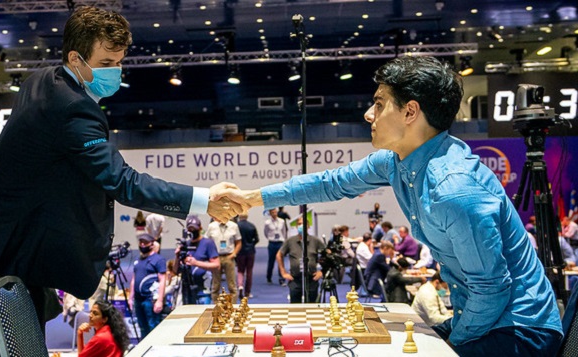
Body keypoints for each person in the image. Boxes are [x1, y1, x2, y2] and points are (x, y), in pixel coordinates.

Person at [215, 55, 562, 355]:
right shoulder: (396, 161)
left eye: (379, 104)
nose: (369, 114)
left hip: (520, 330)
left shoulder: (454, 189)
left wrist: (449, 345)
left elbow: (492, 289)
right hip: (482, 318)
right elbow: (329, 183)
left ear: (411, 111)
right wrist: (251, 197)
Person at [0, 6, 241, 356]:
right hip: (5, 254)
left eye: (119, 61)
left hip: (4, 242)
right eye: (106, 62)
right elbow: (122, 182)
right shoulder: (71, 109)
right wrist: (204, 198)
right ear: (76, 58)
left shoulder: (42, 80)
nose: (115, 71)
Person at [276, 217, 325, 303]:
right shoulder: (291, 241)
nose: (301, 226)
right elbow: (279, 255)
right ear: (296, 226)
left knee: (313, 306)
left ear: (308, 226)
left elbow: (327, 255)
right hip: (295, 279)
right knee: (295, 307)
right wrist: (283, 272)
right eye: (299, 224)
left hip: (312, 279)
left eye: (303, 224)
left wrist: (322, 272)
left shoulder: (315, 241)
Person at [173, 215, 220, 305]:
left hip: (203, 291)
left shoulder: (207, 243)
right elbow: (175, 271)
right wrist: (177, 256)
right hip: (187, 291)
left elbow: (216, 265)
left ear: (200, 228)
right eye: (190, 229)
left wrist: (196, 263)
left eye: (194, 229)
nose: (192, 231)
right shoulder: (186, 244)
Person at [130, 233, 166, 338]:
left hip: (150, 299)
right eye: (141, 242)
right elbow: (133, 279)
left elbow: (162, 280)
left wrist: (159, 300)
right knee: (142, 327)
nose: (142, 244)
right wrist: (130, 298)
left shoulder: (158, 259)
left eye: (145, 242)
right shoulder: (137, 260)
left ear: (151, 244)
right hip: (138, 300)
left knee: (153, 327)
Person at [205, 217, 242, 303]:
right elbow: (206, 241)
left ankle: (232, 306)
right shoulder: (211, 226)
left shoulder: (234, 226)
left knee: (232, 285)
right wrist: (210, 255)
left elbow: (239, 242)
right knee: (215, 285)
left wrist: (234, 254)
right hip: (216, 257)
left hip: (229, 256)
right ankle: (217, 307)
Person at [236, 213, 259, 299]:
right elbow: (257, 239)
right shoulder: (251, 226)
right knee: (249, 271)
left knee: (240, 270)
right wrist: (251, 245)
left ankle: (240, 286)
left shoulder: (236, 226)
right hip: (250, 251)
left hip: (240, 251)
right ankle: (247, 292)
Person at [264, 208, 287, 285]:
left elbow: (284, 231)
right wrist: (270, 238)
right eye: (273, 212)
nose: (275, 213)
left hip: (280, 243)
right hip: (272, 243)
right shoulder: (267, 222)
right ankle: (269, 277)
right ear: (270, 213)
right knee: (271, 261)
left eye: (275, 212)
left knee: (280, 261)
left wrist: (283, 240)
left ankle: (282, 279)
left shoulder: (282, 221)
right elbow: (266, 232)